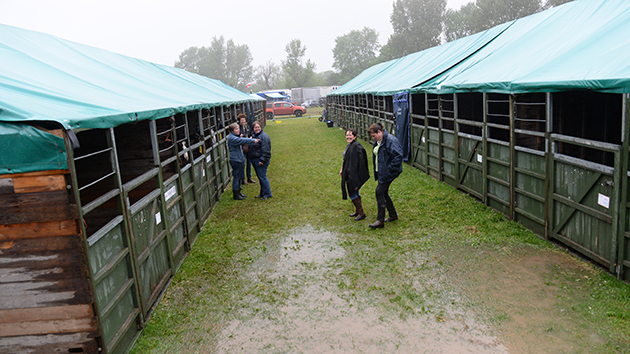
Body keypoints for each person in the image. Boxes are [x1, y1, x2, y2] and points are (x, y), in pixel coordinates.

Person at [368, 122, 403, 229]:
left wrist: (389, 170)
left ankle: (380, 220)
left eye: (374, 136)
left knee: (379, 192)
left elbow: (398, 156)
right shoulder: (379, 141)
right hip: (381, 172)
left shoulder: (391, 141)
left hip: (387, 173)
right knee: (384, 193)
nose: (373, 138)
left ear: (379, 132)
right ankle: (393, 215)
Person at [340, 129, 370, 221]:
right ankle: (358, 211)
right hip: (348, 172)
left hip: (353, 174)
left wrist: (354, 173)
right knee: (355, 192)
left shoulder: (357, 147)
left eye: (350, 135)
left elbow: (360, 162)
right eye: (347, 135)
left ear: (355, 136)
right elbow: (346, 159)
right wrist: (342, 169)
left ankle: (361, 213)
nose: (348, 137)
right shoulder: (349, 146)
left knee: (352, 192)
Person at [227, 123, 259, 200]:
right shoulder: (232, 138)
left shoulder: (234, 136)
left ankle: (239, 191)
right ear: (232, 131)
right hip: (236, 160)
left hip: (239, 159)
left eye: (238, 129)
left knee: (240, 176)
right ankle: (236, 194)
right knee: (236, 177)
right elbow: (241, 140)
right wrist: (253, 140)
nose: (238, 130)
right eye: (236, 129)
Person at [249, 121, 272, 200]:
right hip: (255, 159)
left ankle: (267, 193)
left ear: (261, 127)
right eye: (255, 127)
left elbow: (266, 150)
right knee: (260, 177)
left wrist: (262, 160)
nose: (257, 129)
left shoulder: (263, 137)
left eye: (258, 127)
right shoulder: (255, 136)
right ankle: (262, 193)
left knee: (262, 177)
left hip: (260, 160)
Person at [238, 114, 256, 185]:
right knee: (243, 163)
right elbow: (238, 137)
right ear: (239, 121)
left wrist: (251, 137)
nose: (243, 121)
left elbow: (251, 134)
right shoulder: (238, 128)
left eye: (244, 120)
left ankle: (249, 177)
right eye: (241, 120)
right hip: (242, 147)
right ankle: (243, 178)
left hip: (248, 146)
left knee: (249, 162)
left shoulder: (247, 127)